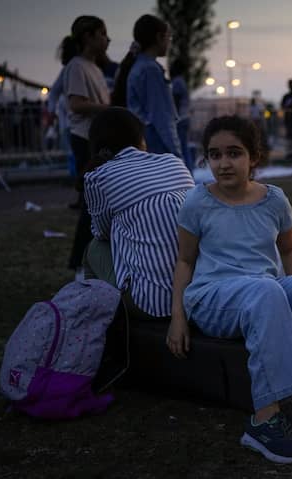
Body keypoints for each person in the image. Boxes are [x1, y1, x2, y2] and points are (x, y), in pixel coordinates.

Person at [168, 115, 292, 464]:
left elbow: (289, 250)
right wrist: (177, 317)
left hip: (260, 292)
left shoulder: (274, 201)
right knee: (266, 292)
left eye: (234, 153)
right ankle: (263, 423)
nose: (223, 163)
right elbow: (185, 262)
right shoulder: (197, 202)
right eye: (214, 155)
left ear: (254, 157)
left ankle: (287, 398)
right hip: (212, 297)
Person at [82, 107, 194, 319]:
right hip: (195, 293)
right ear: (140, 137)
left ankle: (95, 323)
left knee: (93, 249)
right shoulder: (174, 162)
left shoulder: (99, 177)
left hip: (153, 303)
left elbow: (101, 233)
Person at [63, 15, 111, 273]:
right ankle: (79, 263)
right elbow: (76, 103)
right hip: (84, 138)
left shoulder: (95, 67)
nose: (107, 39)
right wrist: (108, 109)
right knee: (91, 203)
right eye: (102, 33)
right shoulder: (77, 66)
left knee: (95, 203)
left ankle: (87, 262)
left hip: (95, 137)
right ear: (88, 37)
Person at [114, 14, 181, 158]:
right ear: (158, 37)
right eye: (168, 38)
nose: (169, 42)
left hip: (146, 141)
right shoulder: (150, 70)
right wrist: (176, 153)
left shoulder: (139, 66)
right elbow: (161, 116)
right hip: (157, 145)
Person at [47, 38, 79, 178]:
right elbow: (54, 92)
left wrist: (51, 111)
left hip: (70, 122)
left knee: (74, 153)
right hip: (72, 122)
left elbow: (53, 92)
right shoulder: (72, 69)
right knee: (75, 153)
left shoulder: (69, 69)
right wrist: (51, 111)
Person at [170, 59, 193, 170]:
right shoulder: (182, 81)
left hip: (180, 119)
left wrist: (174, 117)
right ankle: (189, 171)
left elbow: (176, 100)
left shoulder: (177, 82)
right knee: (184, 146)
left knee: (181, 148)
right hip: (185, 118)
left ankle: (186, 171)